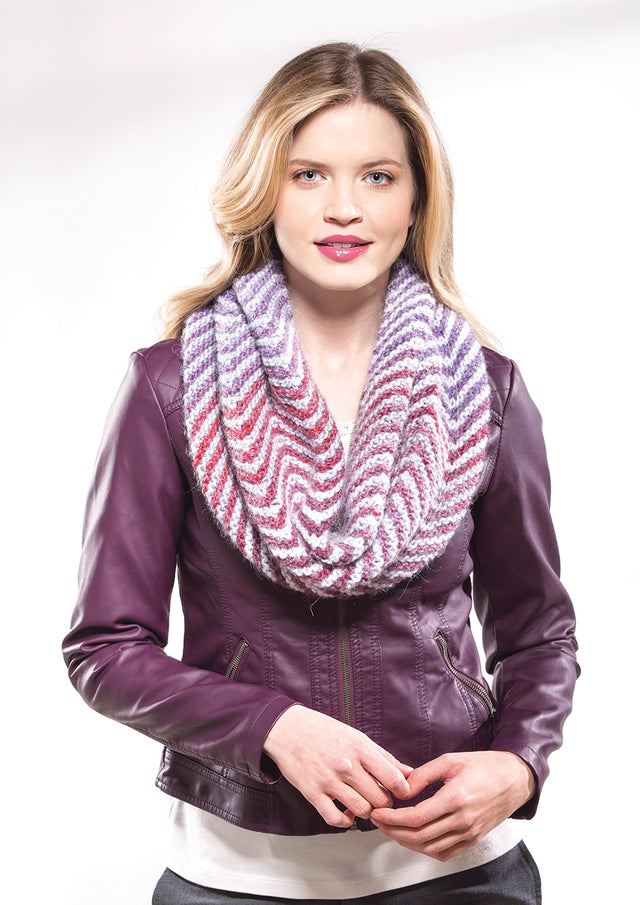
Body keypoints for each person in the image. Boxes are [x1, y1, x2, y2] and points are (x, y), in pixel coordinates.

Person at [63, 42, 579, 904]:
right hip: (234, 875)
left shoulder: (486, 392)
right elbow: (105, 649)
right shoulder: (170, 387)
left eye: (378, 176)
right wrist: (270, 727)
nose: (345, 207)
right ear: (266, 191)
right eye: (308, 175)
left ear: (416, 198)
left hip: (458, 872)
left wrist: (519, 762)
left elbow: (539, 632)